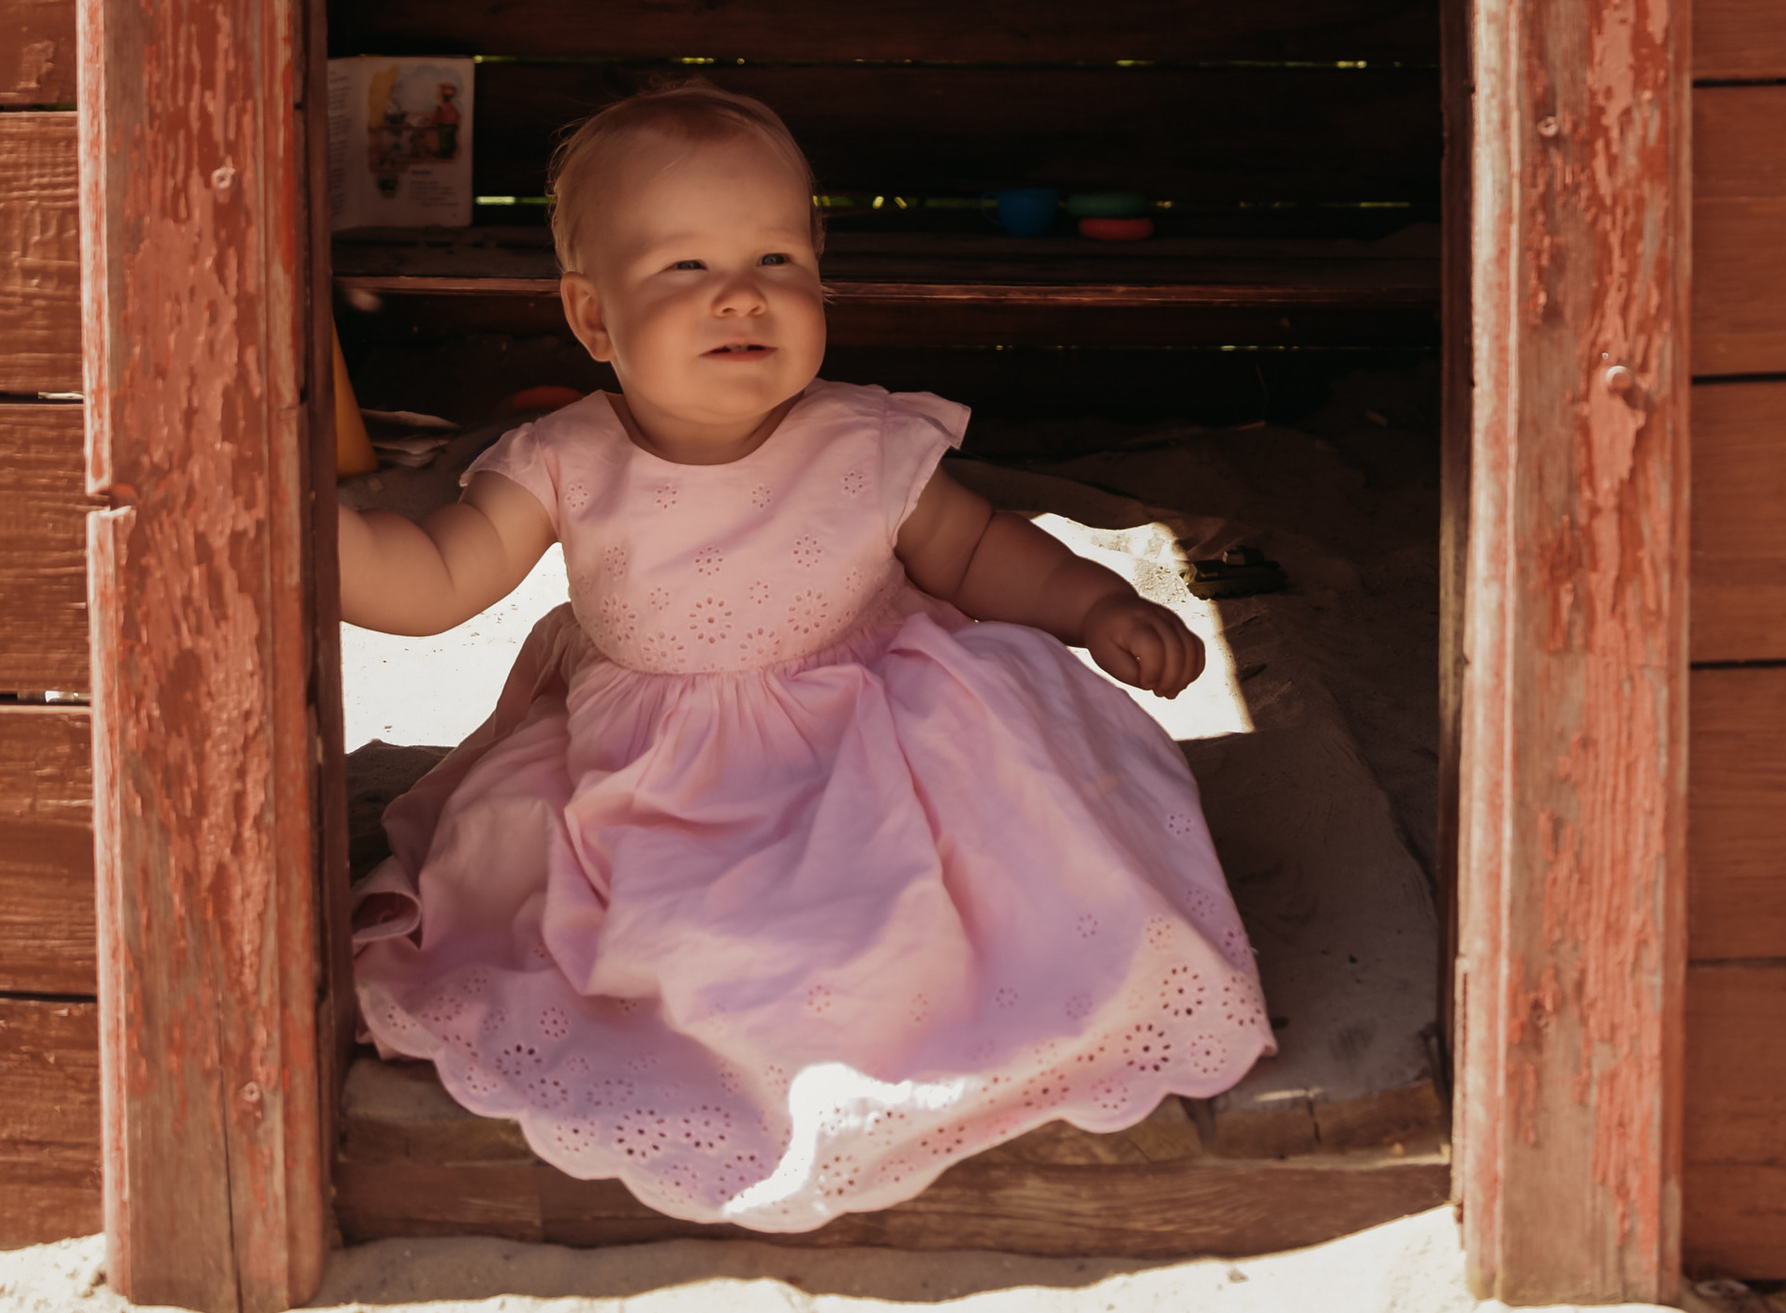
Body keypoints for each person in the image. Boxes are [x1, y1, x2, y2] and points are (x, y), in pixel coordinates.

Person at [338, 82, 1270, 1229]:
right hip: (660, 780)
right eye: (684, 268)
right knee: (674, 942)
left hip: (875, 741)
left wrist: (1091, 603)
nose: (741, 292)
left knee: (951, 871)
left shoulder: (865, 438)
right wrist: (314, 538)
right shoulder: (563, 458)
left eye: (777, 257)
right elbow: (434, 581)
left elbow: (975, 549)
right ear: (591, 318)